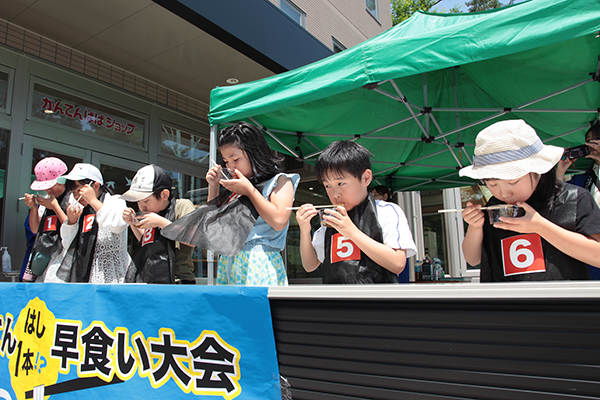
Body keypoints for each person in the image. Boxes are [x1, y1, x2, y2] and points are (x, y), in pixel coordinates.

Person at [459, 119, 600, 282]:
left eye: (513, 182)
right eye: (492, 184)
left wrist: (540, 227)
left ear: (536, 170)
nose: (504, 193)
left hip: (564, 304)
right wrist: (474, 227)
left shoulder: (573, 199)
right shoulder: (494, 207)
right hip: (507, 304)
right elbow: (473, 259)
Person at [296, 140, 417, 284]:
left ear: (366, 178)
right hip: (337, 302)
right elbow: (310, 265)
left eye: (341, 183)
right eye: (327, 185)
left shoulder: (387, 211)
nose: (335, 194)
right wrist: (304, 230)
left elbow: (397, 264)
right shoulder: (331, 218)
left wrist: (352, 233)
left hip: (380, 301)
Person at [205, 122, 300, 286]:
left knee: (256, 309)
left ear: (255, 152)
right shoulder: (237, 187)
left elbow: (279, 221)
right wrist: (213, 186)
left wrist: (249, 190)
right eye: (226, 161)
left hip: (259, 259)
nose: (231, 167)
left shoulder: (280, 181)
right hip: (229, 260)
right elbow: (211, 226)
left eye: (235, 159)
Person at [44, 163, 132, 283]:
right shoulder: (81, 208)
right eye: (73, 192)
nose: (76, 196)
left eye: (79, 191)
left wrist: (93, 201)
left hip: (112, 277)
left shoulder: (115, 201)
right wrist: (71, 222)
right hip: (85, 275)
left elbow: (118, 224)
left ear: (95, 186)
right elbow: (68, 245)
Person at [120, 164, 196, 284]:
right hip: (151, 278)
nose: (142, 206)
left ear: (164, 195)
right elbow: (146, 241)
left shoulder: (181, 206)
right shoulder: (154, 214)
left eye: (145, 201)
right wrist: (133, 223)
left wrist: (161, 222)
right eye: (138, 202)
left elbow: (193, 239)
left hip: (177, 280)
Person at [555, 122, 600, 279]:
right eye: (588, 140)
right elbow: (557, 199)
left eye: (597, 139)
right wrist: (561, 170)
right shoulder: (582, 180)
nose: (591, 144)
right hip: (590, 248)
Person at [21, 157, 69, 282]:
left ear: (61, 180)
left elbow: (71, 228)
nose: (47, 189)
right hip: (44, 264)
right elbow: (35, 229)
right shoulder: (46, 201)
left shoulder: (73, 199)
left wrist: (55, 207)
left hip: (63, 265)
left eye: (50, 185)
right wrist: (33, 208)